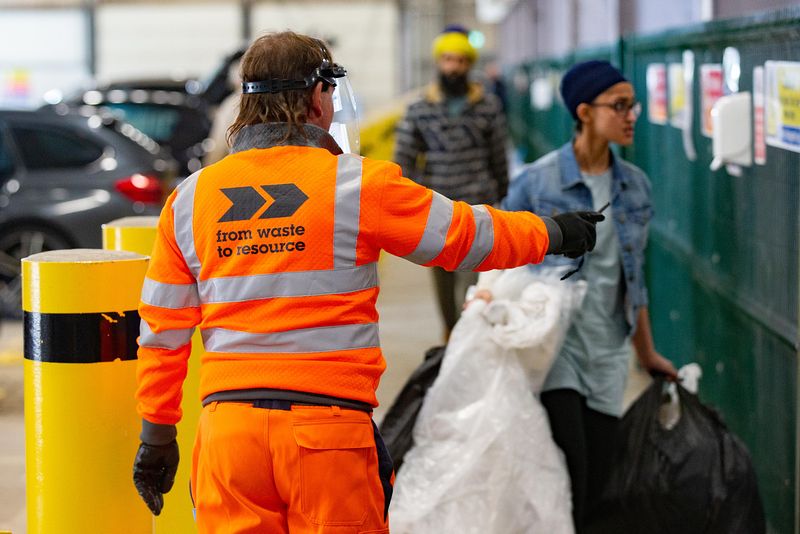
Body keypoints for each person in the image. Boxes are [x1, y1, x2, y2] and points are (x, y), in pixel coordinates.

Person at [131, 31, 603, 533]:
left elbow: (162, 332)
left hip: (228, 439)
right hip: (326, 436)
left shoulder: (189, 200)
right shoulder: (356, 184)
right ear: (317, 95)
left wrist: (156, 435)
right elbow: (465, 235)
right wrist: (553, 232)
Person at [501, 60, 678, 533]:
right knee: (571, 467)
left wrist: (646, 352)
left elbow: (632, 278)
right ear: (584, 111)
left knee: (600, 477)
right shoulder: (536, 183)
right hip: (555, 347)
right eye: (619, 106)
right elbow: (502, 262)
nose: (631, 115)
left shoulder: (635, 186)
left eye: (633, 106)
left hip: (609, 351)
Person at [393, 24, 509, 340]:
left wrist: (502, 192)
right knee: (442, 279)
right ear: (438, 62)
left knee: (471, 280)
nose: (453, 66)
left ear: (469, 64)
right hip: (437, 207)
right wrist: (414, 198)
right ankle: (450, 331)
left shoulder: (487, 106)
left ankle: (467, 336)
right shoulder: (419, 108)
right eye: (447, 59)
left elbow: (498, 154)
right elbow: (403, 158)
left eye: (460, 60)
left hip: (477, 206)